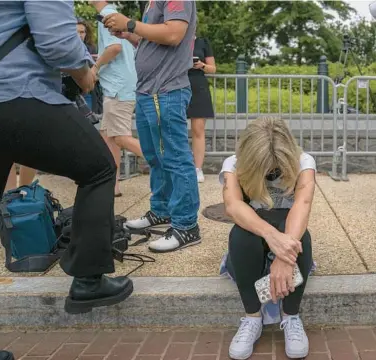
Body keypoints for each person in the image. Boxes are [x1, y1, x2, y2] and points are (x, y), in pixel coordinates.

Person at [0, 0, 133, 315]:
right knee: (99, 169)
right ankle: (89, 281)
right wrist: (84, 75)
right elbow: (57, 44)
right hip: (16, 93)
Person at [104, 0, 201, 253]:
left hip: (165, 90)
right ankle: (161, 211)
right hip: (151, 92)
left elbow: (173, 33)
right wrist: (130, 35)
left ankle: (186, 225)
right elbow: (155, 41)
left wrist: (131, 24)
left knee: (175, 158)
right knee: (155, 157)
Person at [220, 117, 315, 360]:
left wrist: (284, 256)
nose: (272, 173)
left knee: (300, 236)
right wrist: (273, 238)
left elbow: (302, 205)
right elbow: (233, 206)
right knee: (242, 232)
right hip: (251, 251)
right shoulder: (234, 164)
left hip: (288, 243)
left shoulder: (304, 162)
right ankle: (253, 317)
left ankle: (290, 315)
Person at [92, 0, 143, 197]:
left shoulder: (107, 15)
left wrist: (95, 68)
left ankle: (168, 169)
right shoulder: (114, 14)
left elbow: (114, 48)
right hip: (119, 86)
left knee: (119, 137)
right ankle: (112, 186)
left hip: (117, 88)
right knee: (108, 138)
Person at [188, 36, 216, 183]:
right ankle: (179, 166)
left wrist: (202, 65)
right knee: (174, 128)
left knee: (198, 130)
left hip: (198, 87)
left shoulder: (203, 42)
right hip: (177, 85)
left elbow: (213, 68)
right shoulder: (175, 39)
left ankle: (197, 169)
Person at [76, 18, 98, 111]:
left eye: (82, 32)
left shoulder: (92, 49)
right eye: (76, 32)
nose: (79, 35)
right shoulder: (64, 48)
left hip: (87, 90)